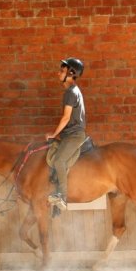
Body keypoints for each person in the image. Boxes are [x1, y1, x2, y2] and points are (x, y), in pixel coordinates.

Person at [45, 57, 87, 211]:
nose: (58, 73)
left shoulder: (70, 92)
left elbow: (66, 117)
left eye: (62, 71)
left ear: (71, 73)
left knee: (59, 161)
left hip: (74, 135)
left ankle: (61, 196)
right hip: (70, 134)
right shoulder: (73, 91)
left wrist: (53, 134)